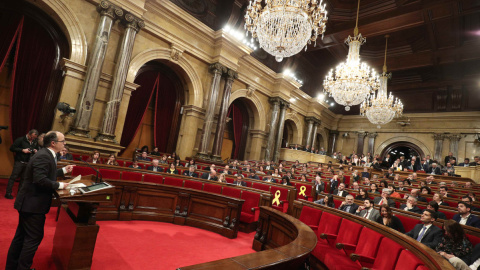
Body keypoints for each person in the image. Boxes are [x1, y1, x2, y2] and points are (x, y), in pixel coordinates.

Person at [6, 131, 74, 270]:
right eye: (63, 141)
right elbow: (40, 179)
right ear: (53, 143)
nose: (65, 144)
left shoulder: (47, 154)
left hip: (30, 203)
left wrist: (63, 172)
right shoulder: (44, 156)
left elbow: (47, 172)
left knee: (22, 237)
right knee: (32, 239)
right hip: (32, 205)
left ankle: (12, 266)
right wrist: (60, 185)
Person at [5, 129, 39, 199]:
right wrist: (22, 150)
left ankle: (20, 193)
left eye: (34, 138)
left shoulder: (35, 141)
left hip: (28, 162)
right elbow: (12, 148)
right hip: (19, 161)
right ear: (28, 134)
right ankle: (8, 193)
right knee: (13, 177)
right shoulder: (20, 139)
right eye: (31, 137)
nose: (32, 139)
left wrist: (35, 150)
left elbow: (36, 149)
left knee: (23, 179)